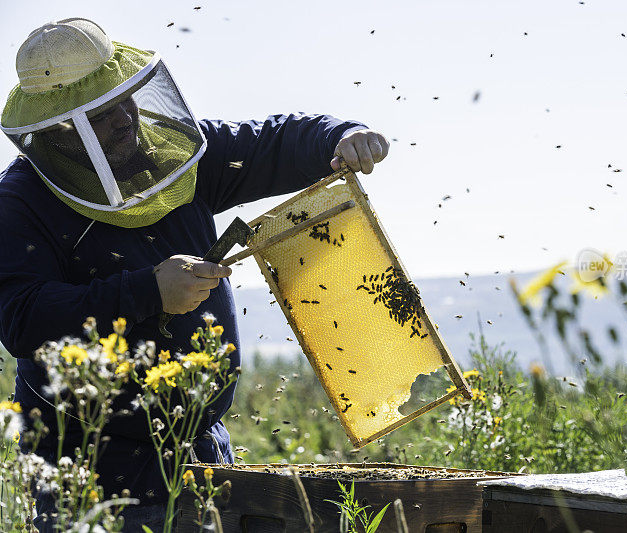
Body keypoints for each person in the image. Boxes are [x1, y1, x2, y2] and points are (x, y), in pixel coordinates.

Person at [0, 17, 389, 531]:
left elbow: (268, 141)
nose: (123, 120)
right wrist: (148, 292)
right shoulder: (20, 202)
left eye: (124, 98)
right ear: (59, 129)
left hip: (203, 457)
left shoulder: (172, 155)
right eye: (101, 114)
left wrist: (339, 137)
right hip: (90, 477)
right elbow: (22, 319)